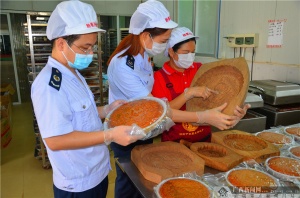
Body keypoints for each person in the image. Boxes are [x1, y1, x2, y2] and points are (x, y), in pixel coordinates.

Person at [107, 1, 244, 197]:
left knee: (142, 181)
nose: (164, 46)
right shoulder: (123, 66)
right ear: (146, 36)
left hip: (143, 129)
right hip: (126, 132)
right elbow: (158, 110)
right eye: (164, 41)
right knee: (129, 181)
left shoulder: (143, 56)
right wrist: (202, 116)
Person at [31, 1, 144, 197]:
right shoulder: (49, 85)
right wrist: (110, 135)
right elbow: (55, 140)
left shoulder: (73, 73)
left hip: (96, 171)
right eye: (85, 47)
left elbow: (79, 114)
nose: (90, 54)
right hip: (78, 183)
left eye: (92, 47)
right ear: (61, 43)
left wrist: (107, 109)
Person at [152, 27, 251, 143]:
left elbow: (218, 98)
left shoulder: (201, 70)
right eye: (186, 52)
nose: (190, 56)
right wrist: (188, 94)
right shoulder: (159, 78)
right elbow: (163, 114)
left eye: (193, 52)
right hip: (174, 142)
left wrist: (234, 113)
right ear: (171, 52)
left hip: (203, 140)